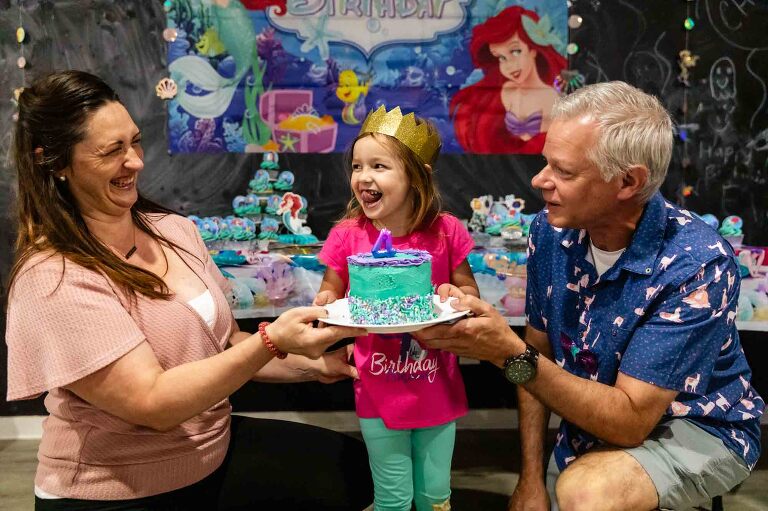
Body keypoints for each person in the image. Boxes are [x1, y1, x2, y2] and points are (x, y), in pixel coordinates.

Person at [5, 70, 373, 511]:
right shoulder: (54, 277)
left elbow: (229, 344)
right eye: (112, 151)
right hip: (113, 488)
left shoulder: (173, 231)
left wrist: (315, 362)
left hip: (208, 451)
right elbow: (153, 402)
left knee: (354, 471)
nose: (136, 162)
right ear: (56, 164)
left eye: (135, 141)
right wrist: (273, 339)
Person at [418, 81, 764, 510]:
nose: (539, 180)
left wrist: (506, 353)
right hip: (592, 421)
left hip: (698, 425)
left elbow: (629, 421)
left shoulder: (696, 263)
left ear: (627, 181)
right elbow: (537, 353)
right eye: (546, 162)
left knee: (586, 492)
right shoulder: (549, 232)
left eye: (563, 171)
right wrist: (530, 480)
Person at [314, 105, 480, 511]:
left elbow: (468, 289)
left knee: (435, 496)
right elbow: (329, 295)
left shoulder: (446, 231)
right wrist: (324, 306)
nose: (363, 177)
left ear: (416, 175)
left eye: (379, 166)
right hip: (376, 389)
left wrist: (454, 295)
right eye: (356, 165)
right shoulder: (347, 236)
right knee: (392, 498)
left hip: (436, 387)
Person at [450, 5, 567, 154]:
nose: (510, 65)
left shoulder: (550, 96)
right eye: (501, 57)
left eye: (516, 51)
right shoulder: (499, 92)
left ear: (533, 49)